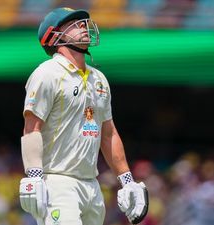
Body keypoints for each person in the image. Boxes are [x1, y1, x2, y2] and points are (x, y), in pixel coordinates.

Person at [18, 7, 148, 225]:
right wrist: (34, 176)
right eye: (75, 23)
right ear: (54, 34)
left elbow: (108, 134)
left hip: (91, 184)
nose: (84, 27)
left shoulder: (99, 79)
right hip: (58, 182)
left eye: (84, 22)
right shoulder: (47, 74)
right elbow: (31, 128)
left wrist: (127, 181)